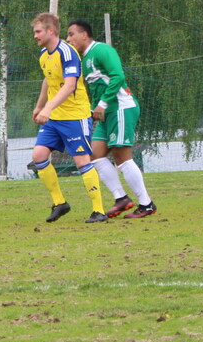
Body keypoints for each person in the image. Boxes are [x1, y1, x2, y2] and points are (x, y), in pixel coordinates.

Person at [65, 21, 156, 218]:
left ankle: (146, 204)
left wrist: (103, 104)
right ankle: (121, 198)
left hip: (121, 108)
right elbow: (98, 87)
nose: (68, 39)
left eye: (71, 34)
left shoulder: (102, 50)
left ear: (84, 34)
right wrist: (93, 110)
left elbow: (118, 76)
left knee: (121, 157)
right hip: (107, 113)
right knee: (95, 155)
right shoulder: (85, 59)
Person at [27, 12, 106, 223]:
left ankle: (99, 211)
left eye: (38, 31)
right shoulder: (44, 54)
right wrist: (39, 106)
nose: (35, 36)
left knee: (82, 161)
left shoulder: (67, 52)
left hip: (75, 116)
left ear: (51, 31)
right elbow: (48, 80)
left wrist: (47, 108)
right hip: (54, 117)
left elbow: (70, 85)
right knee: (39, 156)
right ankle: (60, 203)